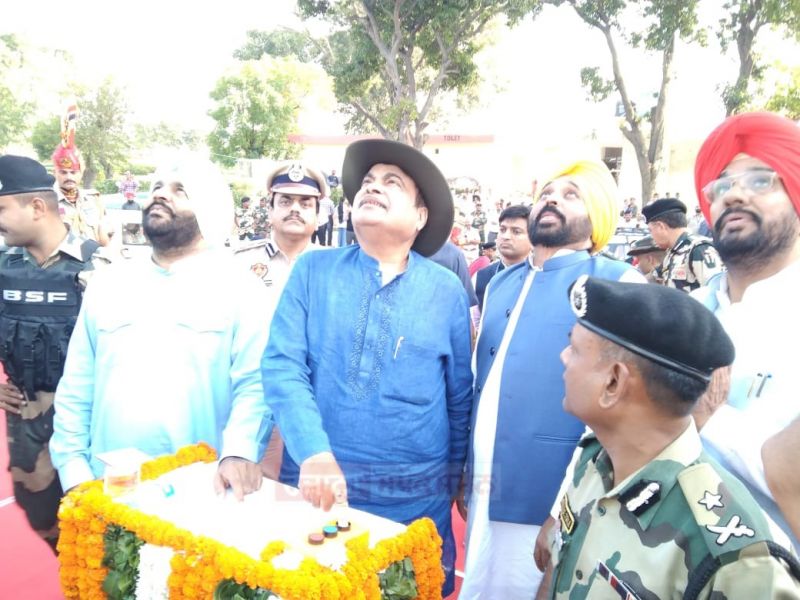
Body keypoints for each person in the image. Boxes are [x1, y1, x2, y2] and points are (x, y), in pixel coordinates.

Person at [261, 139, 473, 595]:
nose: (372, 187)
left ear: (420, 217)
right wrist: (313, 451)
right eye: (368, 182)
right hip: (319, 491)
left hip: (413, 499)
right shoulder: (313, 272)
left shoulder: (446, 289)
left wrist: (456, 476)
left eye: (391, 182)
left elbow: (458, 396)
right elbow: (282, 366)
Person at [545, 275, 800, 599]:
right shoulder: (595, 459)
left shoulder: (736, 561)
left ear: (613, 382)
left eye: (576, 349)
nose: (563, 356)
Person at [460, 159, 643, 600]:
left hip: (550, 494)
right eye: (548, 192)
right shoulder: (500, 283)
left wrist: (564, 508)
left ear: (596, 217)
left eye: (571, 194)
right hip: (486, 483)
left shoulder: (618, 282)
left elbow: (623, 416)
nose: (553, 200)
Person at [50, 158, 271, 500]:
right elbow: (77, 384)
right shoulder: (108, 283)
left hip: (201, 489)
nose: (160, 195)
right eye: (156, 188)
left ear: (210, 209)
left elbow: (255, 386)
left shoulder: (242, 288)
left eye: (179, 190)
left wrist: (240, 451)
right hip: (105, 487)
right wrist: (74, 471)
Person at [691, 111, 800, 549]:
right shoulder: (684, 312)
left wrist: (710, 420)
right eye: (722, 186)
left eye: (759, 181)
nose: (734, 194)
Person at [0, 155, 109, 551]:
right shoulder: (3, 267)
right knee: (45, 521)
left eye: (2, 209)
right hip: (28, 423)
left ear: (37, 207)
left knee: (103, 530)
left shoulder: (101, 265)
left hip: (90, 422)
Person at [642, 197, 723, 292]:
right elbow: (651, 278)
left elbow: (715, 292)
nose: (651, 236)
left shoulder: (699, 249)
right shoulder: (672, 252)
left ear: (661, 226)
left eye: (651, 230)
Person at [52, 130, 109, 246]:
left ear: (81, 173)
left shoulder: (94, 199)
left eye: (73, 172)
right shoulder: (47, 202)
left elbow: (104, 237)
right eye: (63, 172)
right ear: (55, 173)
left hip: (92, 260)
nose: (69, 177)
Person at [473, 204, 533, 311]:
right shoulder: (481, 277)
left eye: (516, 232)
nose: (506, 236)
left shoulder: (542, 276)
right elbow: (476, 322)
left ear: (533, 237)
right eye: (503, 230)